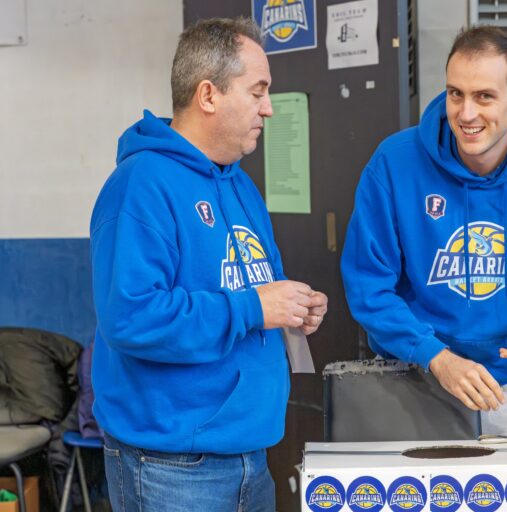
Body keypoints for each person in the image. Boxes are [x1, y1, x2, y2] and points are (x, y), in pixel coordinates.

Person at [89, 17, 327, 512]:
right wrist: (254, 308)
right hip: (170, 467)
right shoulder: (141, 184)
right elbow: (131, 317)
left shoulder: (239, 182)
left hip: (249, 452)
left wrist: (290, 305)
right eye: (258, 91)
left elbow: (255, 286)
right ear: (208, 95)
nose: (269, 108)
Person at [341, 25, 507, 435]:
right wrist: (436, 357)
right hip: (412, 377)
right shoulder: (394, 163)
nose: (466, 114)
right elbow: (367, 285)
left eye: (484, 96)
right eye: (456, 94)